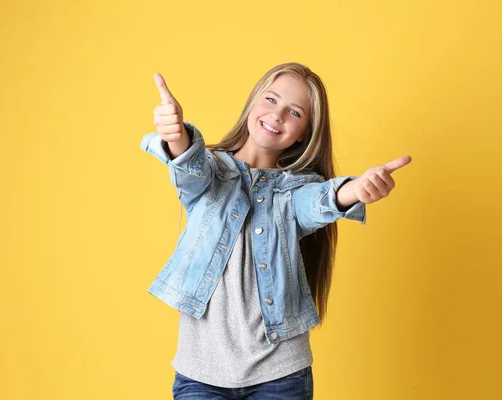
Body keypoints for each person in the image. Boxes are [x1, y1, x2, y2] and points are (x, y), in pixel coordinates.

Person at [140, 62, 411, 399]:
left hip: (280, 373)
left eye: (294, 112)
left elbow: (319, 201)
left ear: (304, 134)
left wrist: (356, 190)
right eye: (271, 99)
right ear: (253, 102)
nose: (278, 114)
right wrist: (177, 136)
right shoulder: (212, 174)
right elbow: (189, 167)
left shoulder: (294, 190)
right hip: (201, 372)